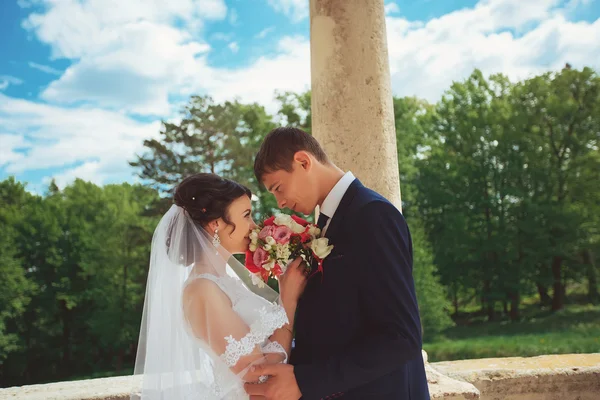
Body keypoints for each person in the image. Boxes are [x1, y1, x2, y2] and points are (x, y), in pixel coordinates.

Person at [244, 127, 430, 400]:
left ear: (303, 162)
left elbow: (402, 337)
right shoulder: (326, 223)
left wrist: (305, 382)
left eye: (278, 188)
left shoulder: (372, 215)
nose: (280, 202)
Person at [131, 173, 307, 400]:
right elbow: (258, 373)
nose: (253, 226)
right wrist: (288, 301)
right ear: (216, 224)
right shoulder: (202, 289)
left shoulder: (226, 278)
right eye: (246, 215)